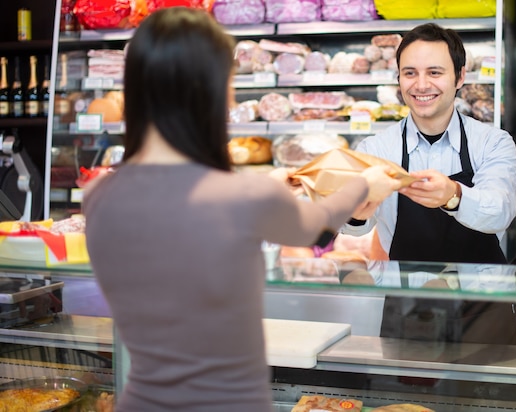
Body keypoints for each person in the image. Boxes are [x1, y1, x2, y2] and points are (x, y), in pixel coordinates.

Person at [82, 7, 400, 412]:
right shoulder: (242, 197)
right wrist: (364, 183)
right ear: (207, 91)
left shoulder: (99, 195)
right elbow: (319, 227)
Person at [341, 23, 516, 344]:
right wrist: (354, 210)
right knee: (403, 394)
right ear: (398, 78)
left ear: (460, 77)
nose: (421, 84)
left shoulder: (492, 142)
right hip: (406, 306)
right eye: (409, 73)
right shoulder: (376, 149)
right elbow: (355, 228)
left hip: (482, 306)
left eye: (435, 72)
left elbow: (500, 212)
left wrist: (453, 196)